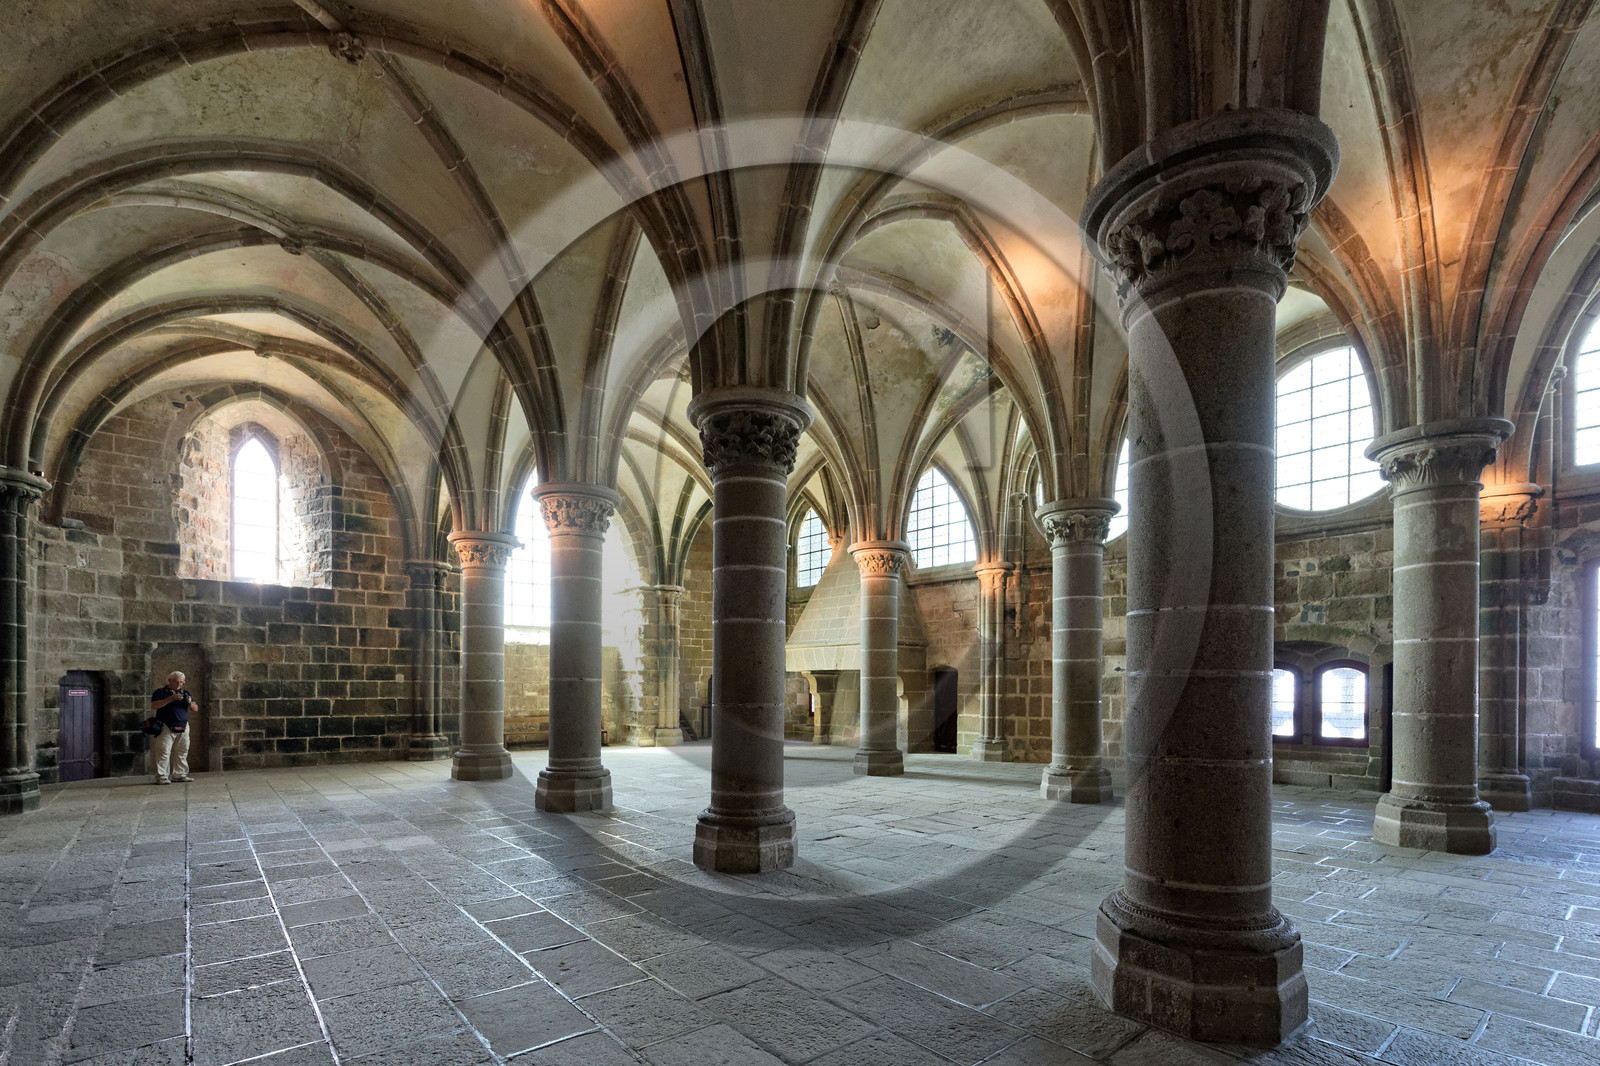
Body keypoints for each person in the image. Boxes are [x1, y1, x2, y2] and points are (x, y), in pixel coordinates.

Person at [150, 671, 196, 785]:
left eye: (181, 682)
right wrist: (171, 698)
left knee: (182, 751)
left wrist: (189, 702)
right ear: (169, 681)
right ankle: (162, 777)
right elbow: (154, 705)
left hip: (183, 725)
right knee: (163, 751)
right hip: (166, 725)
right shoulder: (160, 692)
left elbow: (195, 708)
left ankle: (179, 775)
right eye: (176, 682)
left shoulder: (186, 693)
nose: (179, 685)